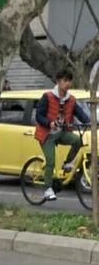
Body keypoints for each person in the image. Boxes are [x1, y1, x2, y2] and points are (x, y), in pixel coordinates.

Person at [34, 67, 89, 200]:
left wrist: (90, 122)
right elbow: (39, 116)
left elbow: (81, 115)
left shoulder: (71, 100)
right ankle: (48, 189)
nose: (68, 84)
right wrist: (49, 123)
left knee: (77, 140)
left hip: (61, 132)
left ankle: (67, 163)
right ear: (58, 81)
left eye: (70, 81)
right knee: (51, 161)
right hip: (47, 134)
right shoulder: (47, 97)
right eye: (65, 81)